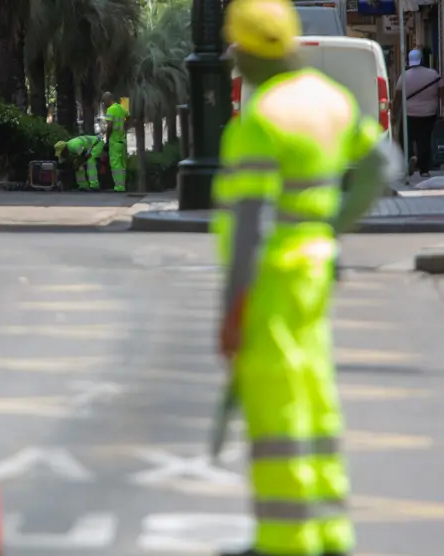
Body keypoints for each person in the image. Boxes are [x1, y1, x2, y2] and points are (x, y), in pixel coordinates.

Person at [214, 0, 404, 555]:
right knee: (316, 397)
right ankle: (329, 532)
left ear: (246, 52)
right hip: (316, 269)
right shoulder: (331, 102)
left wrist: (231, 309)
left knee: (277, 411)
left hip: (273, 277)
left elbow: (248, 230)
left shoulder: (261, 121)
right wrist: (331, 227)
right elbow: (384, 167)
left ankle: (285, 540)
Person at [392, 48, 442, 178]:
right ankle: (424, 169)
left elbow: (398, 97)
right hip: (429, 113)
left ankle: (410, 157)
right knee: (424, 140)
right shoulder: (434, 75)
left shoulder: (405, 75)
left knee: (406, 139)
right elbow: (442, 94)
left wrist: (393, 114)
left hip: (410, 113)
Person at [101, 92, 129, 192]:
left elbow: (110, 126)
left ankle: (118, 187)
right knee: (122, 165)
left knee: (115, 165)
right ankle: (123, 185)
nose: (104, 104)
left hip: (114, 141)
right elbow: (128, 117)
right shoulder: (121, 108)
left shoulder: (110, 109)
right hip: (122, 140)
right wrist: (124, 128)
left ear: (108, 100)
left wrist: (107, 140)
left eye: (104, 102)